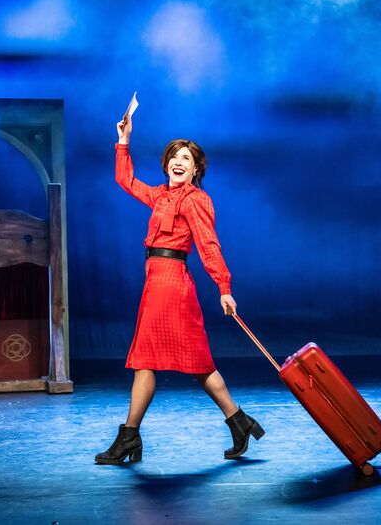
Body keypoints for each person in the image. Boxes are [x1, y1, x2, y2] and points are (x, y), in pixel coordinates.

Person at [95, 111, 265, 465]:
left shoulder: (195, 200)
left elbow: (208, 244)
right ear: (166, 165)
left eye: (185, 158)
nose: (178, 161)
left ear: (195, 168)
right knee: (197, 362)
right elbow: (125, 180)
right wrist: (124, 139)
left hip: (171, 284)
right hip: (156, 280)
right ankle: (239, 421)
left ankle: (129, 437)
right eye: (174, 156)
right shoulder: (160, 196)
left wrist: (224, 286)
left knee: (146, 360)